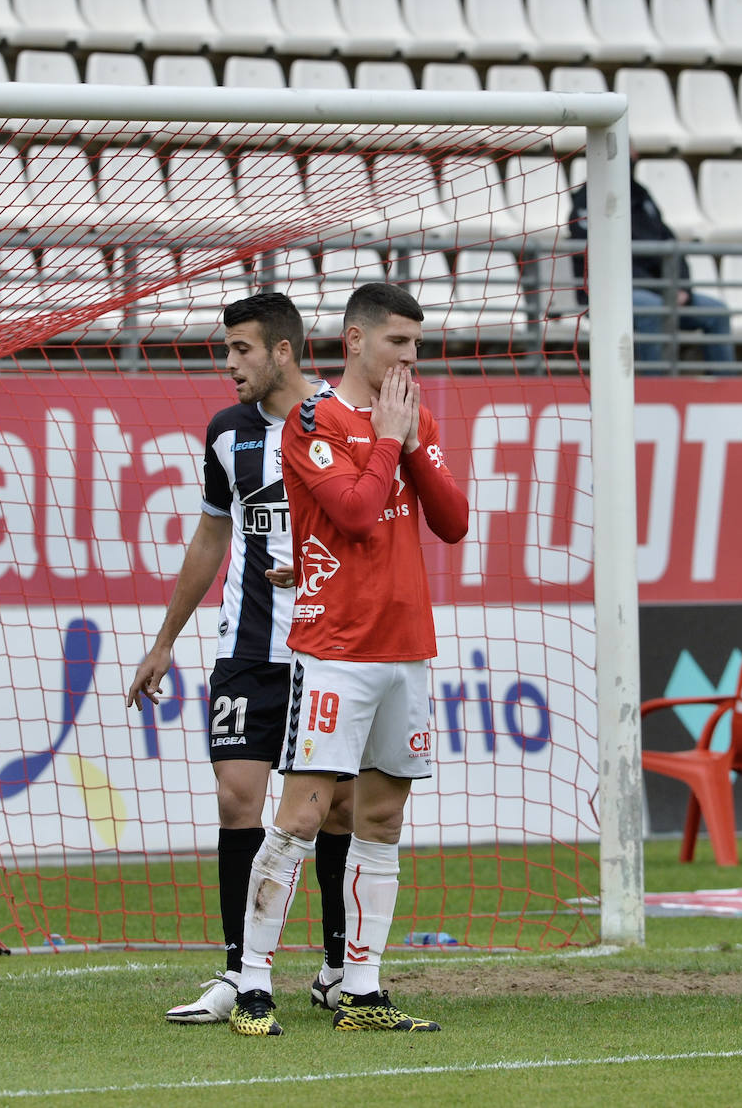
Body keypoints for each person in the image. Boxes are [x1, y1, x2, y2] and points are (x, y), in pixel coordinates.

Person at [230, 282, 469, 1037]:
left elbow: (453, 522)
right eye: (399, 342)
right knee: (301, 813)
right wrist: (388, 441)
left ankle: (361, 992)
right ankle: (253, 983)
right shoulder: (312, 420)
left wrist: (406, 440)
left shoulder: (413, 418)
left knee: (383, 816)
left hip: (406, 645)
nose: (410, 358)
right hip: (334, 647)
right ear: (356, 340)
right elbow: (358, 515)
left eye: (417, 345)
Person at [126, 292, 353, 1024]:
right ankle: (235, 972)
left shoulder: (344, 423)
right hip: (247, 650)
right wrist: (164, 640)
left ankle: (336, 967)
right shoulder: (226, 433)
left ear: (281, 351)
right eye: (226, 351)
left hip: (331, 650)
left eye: (240, 351)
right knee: (235, 796)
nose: (229, 365)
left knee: (336, 810)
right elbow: (210, 539)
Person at [569, 156, 735, 373]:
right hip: (609, 295)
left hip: (663, 290)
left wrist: (682, 287)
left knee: (717, 313)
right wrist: (665, 290)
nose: (630, 158)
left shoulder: (641, 195)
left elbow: (670, 243)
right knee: (653, 309)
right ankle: (656, 389)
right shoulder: (587, 201)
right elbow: (605, 263)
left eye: (632, 153)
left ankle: (723, 390)